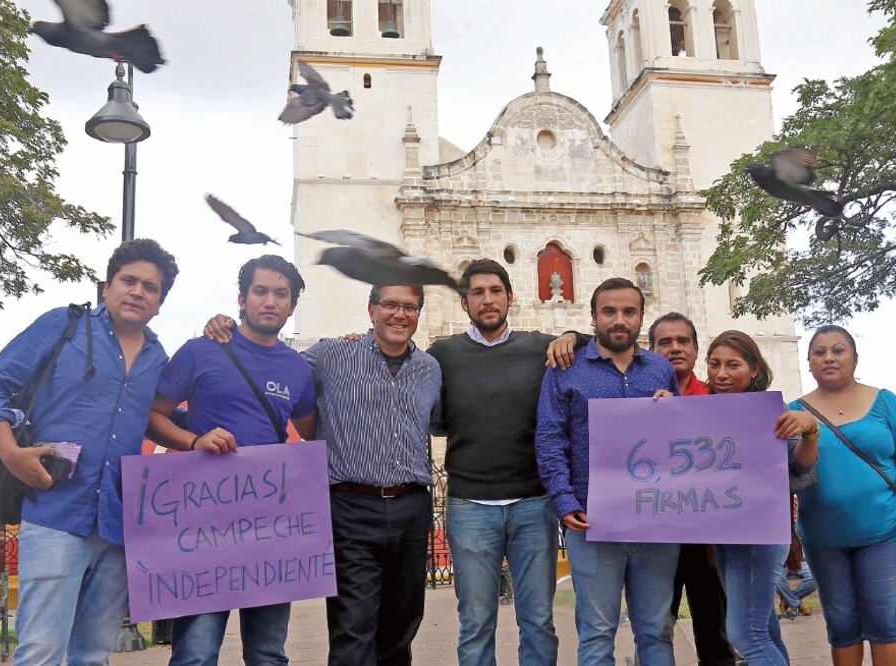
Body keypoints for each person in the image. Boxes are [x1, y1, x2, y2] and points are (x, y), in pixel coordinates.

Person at [206, 284, 441, 666]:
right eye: (390, 305)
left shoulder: (430, 369)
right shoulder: (332, 354)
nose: (400, 315)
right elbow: (274, 363)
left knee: (402, 625)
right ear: (371, 310)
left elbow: (438, 421)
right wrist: (230, 330)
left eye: (410, 307)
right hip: (351, 505)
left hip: (411, 506)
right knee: (354, 625)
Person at [0, 239, 178, 665]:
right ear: (106, 286)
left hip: (118, 527)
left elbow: (160, 420)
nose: (138, 291)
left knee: (93, 655)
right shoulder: (63, 327)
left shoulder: (159, 357)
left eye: (151, 287)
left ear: (160, 303)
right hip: (54, 513)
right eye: (129, 281)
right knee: (41, 652)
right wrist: (11, 453)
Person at [148, 256, 316, 666]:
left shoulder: (297, 368)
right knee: (196, 653)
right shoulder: (200, 351)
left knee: (267, 654)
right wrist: (194, 441)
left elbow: (312, 436)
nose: (270, 301)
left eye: (281, 294)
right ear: (242, 298)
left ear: (292, 306)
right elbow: (151, 416)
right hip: (206, 524)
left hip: (270, 527)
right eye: (260, 291)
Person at [428, 258, 579, 666]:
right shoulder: (442, 354)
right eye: (477, 293)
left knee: (538, 621)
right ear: (464, 303)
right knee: (475, 621)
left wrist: (571, 334)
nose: (487, 300)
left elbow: (593, 346)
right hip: (469, 506)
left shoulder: (539, 348)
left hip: (533, 504)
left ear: (510, 296)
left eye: (495, 291)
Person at [535, 277, 680, 666]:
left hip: (654, 522)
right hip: (592, 520)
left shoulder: (661, 371)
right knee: (597, 633)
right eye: (610, 312)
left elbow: (684, 444)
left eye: (629, 312)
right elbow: (551, 438)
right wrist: (564, 502)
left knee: (655, 630)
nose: (619, 320)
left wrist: (674, 413)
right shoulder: (565, 369)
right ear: (593, 317)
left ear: (641, 317)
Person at [789, 325, 896, 666]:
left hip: (884, 532)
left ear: (855, 358)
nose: (828, 357)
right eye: (819, 352)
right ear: (808, 362)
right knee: (841, 624)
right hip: (824, 538)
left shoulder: (885, 402)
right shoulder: (795, 410)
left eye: (838, 350)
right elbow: (789, 472)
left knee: (884, 621)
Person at [705, 330, 819, 666]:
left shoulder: (771, 412)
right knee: (765, 630)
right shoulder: (700, 412)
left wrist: (809, 429)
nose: (721, 373)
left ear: (754, 369)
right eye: (714, 364)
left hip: (758, 535)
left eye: (732, 365)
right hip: (726, 536)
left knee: (747, 636)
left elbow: (799, 467)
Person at [648, 313, 737, 666]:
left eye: (683, 341)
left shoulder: (720, 398)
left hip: (707, 541)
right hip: (654, 539)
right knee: (653, 630)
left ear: (696, 349)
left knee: (715, 634)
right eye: (665, 342)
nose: (675, 349)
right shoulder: (636, 402)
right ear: (651, 350)